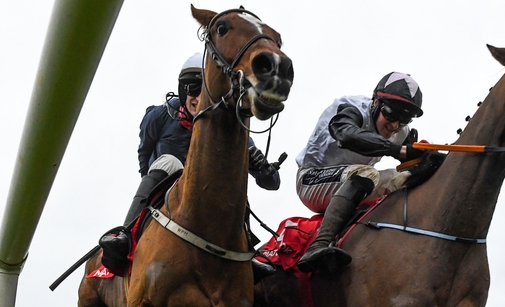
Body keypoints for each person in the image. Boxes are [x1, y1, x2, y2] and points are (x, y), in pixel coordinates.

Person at [99, 52, 281, 276]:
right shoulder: (159, 116)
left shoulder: (232, 129)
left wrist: (260, 165)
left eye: (207, 91)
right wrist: (150, 182)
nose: (200, 97)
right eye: (194, 88)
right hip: (168, 193)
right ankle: (125, 234)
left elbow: (272, 183)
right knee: (168, 162)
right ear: (183, 90)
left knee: (229, 177)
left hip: (208, 198)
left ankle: (245, 252)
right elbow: (144, 155)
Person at [295, 72, 442, 274]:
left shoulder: (401, 131)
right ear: (375, 102)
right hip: (312, 180)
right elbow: (347, 135)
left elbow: (413, 162)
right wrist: (398, 151)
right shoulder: (351, 108)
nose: (394, 126)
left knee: (406, 177)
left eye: (404, 119)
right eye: (390, 114)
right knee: (368, 174)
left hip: (351, 182)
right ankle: (319, 245)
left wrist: (432, 159)